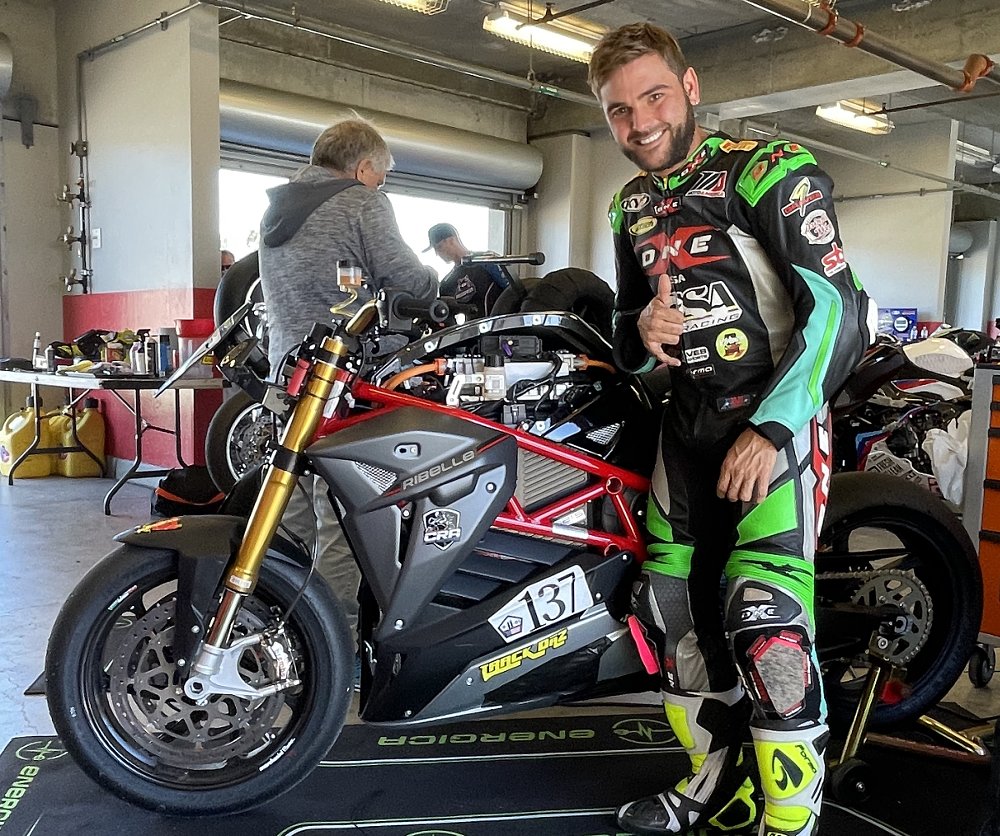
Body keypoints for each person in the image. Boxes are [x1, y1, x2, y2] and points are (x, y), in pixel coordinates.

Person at [589, 23, 876, 836]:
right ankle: (713, 784)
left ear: (691, 86)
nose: (639, 122)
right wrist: (640, 336)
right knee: (670, 610)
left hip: (775, 431)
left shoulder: (769, 172)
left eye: (652, 96)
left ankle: (790, 821)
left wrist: (774, 430)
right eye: (618, 110)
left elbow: (839, 309)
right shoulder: (629, 204)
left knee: (764, 614)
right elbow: (625, 330)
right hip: (684, 435)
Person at [258, 118, 438, 632]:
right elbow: (409, 279)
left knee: (291, 513)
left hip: (286, 378)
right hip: (344, 382)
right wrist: (432, 284)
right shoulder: (361, 201)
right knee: (340, 513)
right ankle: (334, 645)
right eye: (379, 177)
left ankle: (286, 628)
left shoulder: (276, 210)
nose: (380, 187)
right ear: (363, 169)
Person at [425, 222, 508, 318]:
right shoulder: (447, 283)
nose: (437, 253)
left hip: (501, 325)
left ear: (451, 240)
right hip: (473, 330)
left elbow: (513, 291)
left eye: (439, 247)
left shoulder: (486, 260)